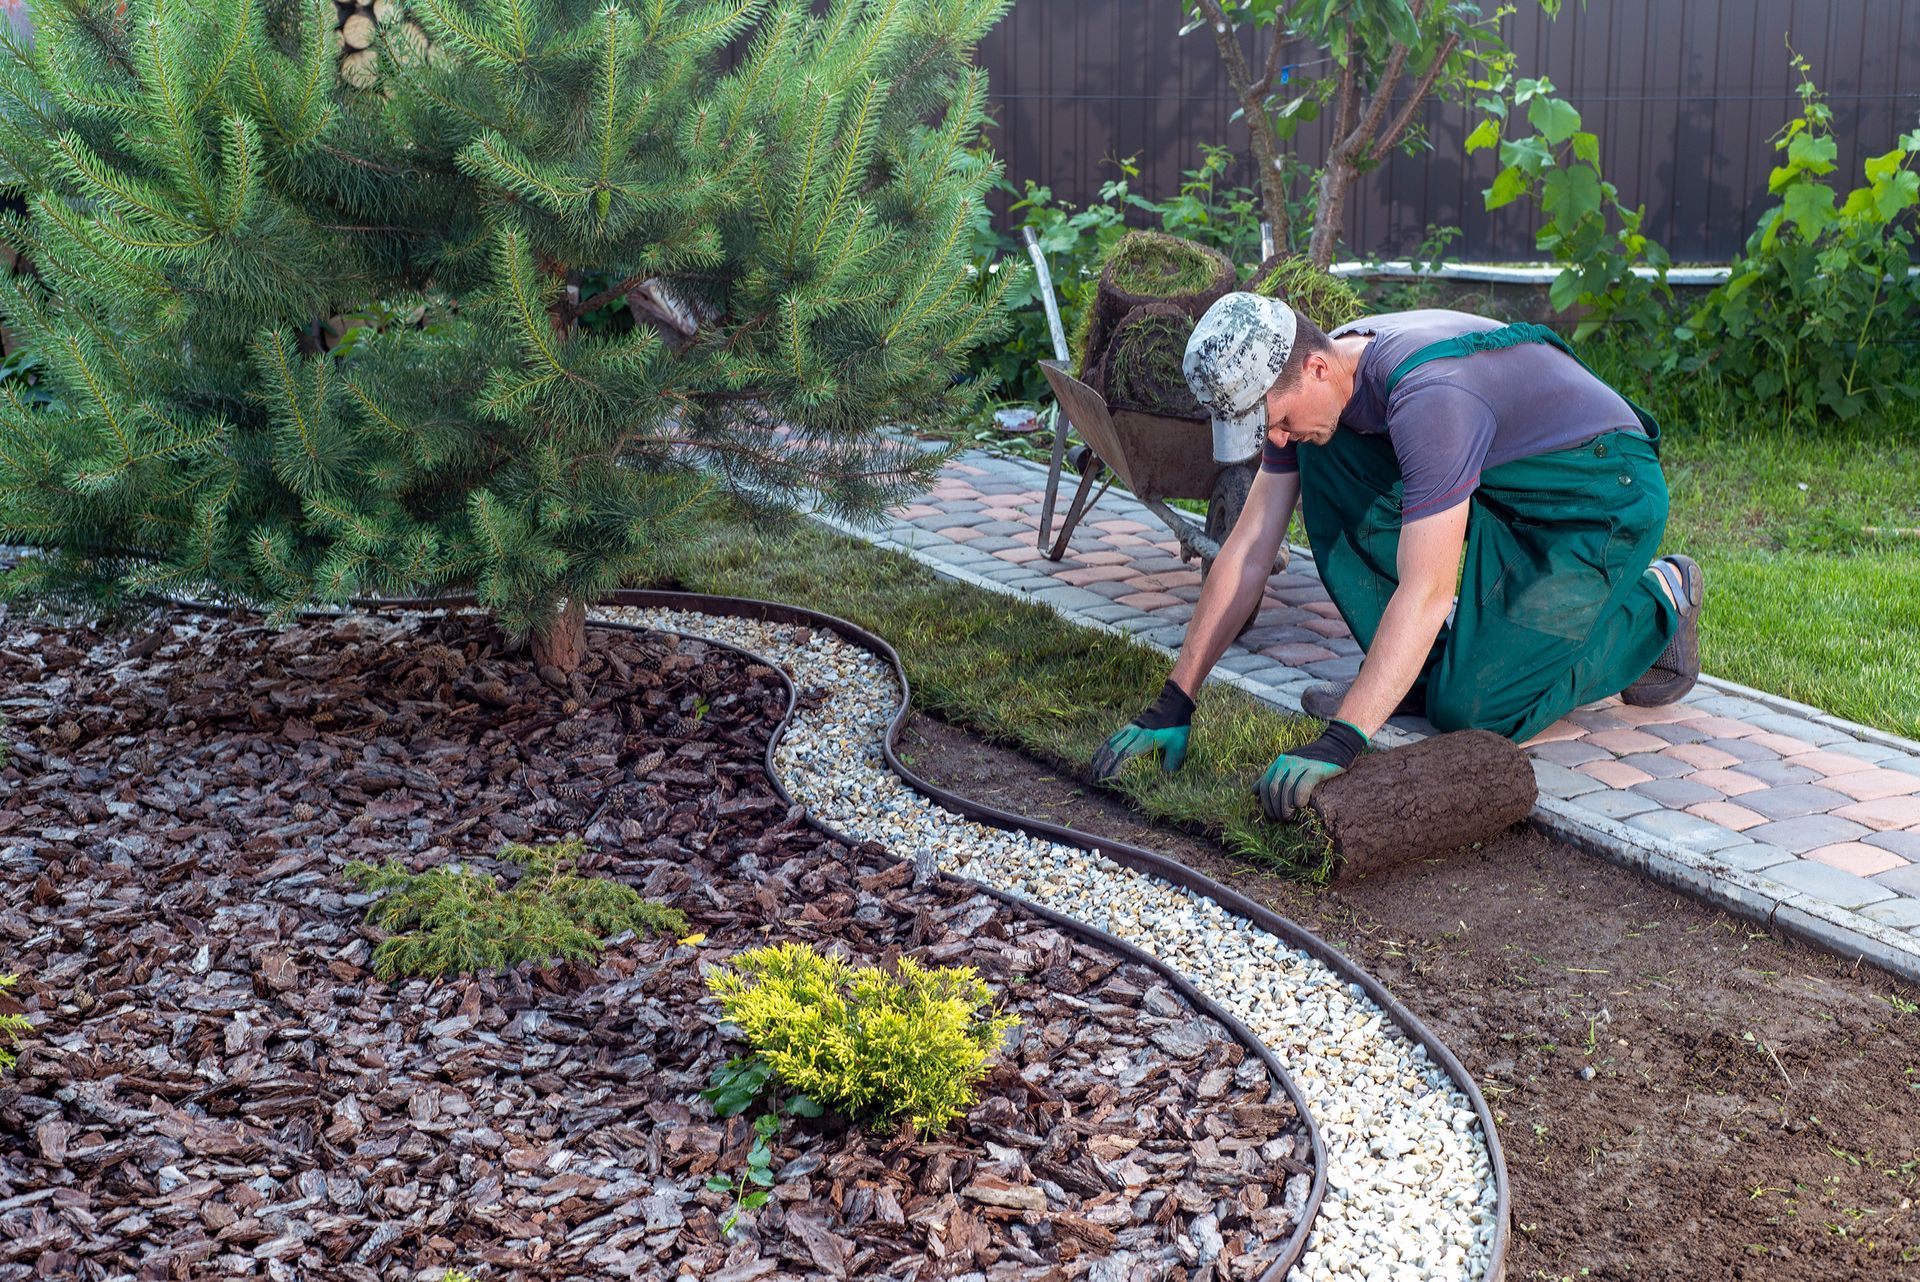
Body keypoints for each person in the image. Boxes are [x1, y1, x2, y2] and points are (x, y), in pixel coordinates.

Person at [1090, 296, 1704, 822]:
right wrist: (1176, 699)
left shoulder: (1429, 398)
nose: (1273, 440)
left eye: (1275, 421)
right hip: (1503, 476)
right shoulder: (1330, 381)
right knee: (1320, 450)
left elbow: (1428, 589)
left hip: (1594, 496)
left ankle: (1660, 602)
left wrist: (1342, 740)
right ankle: (1410, 673)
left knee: (1475, 710)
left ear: (1316, 366)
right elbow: (1249, 549)